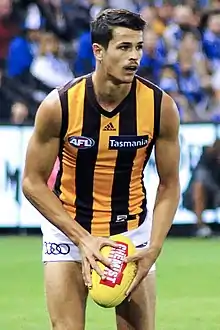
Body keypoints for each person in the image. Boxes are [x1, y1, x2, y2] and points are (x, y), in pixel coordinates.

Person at [22, 9, 180, 330]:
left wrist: (154, 246)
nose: (134, 56)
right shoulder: (60, 105)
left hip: (130, 233)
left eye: (138, 47)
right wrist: (82, 239)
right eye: (123, 47)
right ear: (99, 51)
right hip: (69, 231)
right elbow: (32, 182)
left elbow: (170, 184)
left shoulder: (160, 106)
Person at [183, 139, 220, 237]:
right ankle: (200, 226)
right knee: (199, 187)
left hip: (216, 195)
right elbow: (199, 183)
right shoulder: (206, 160)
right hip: (195, 198)